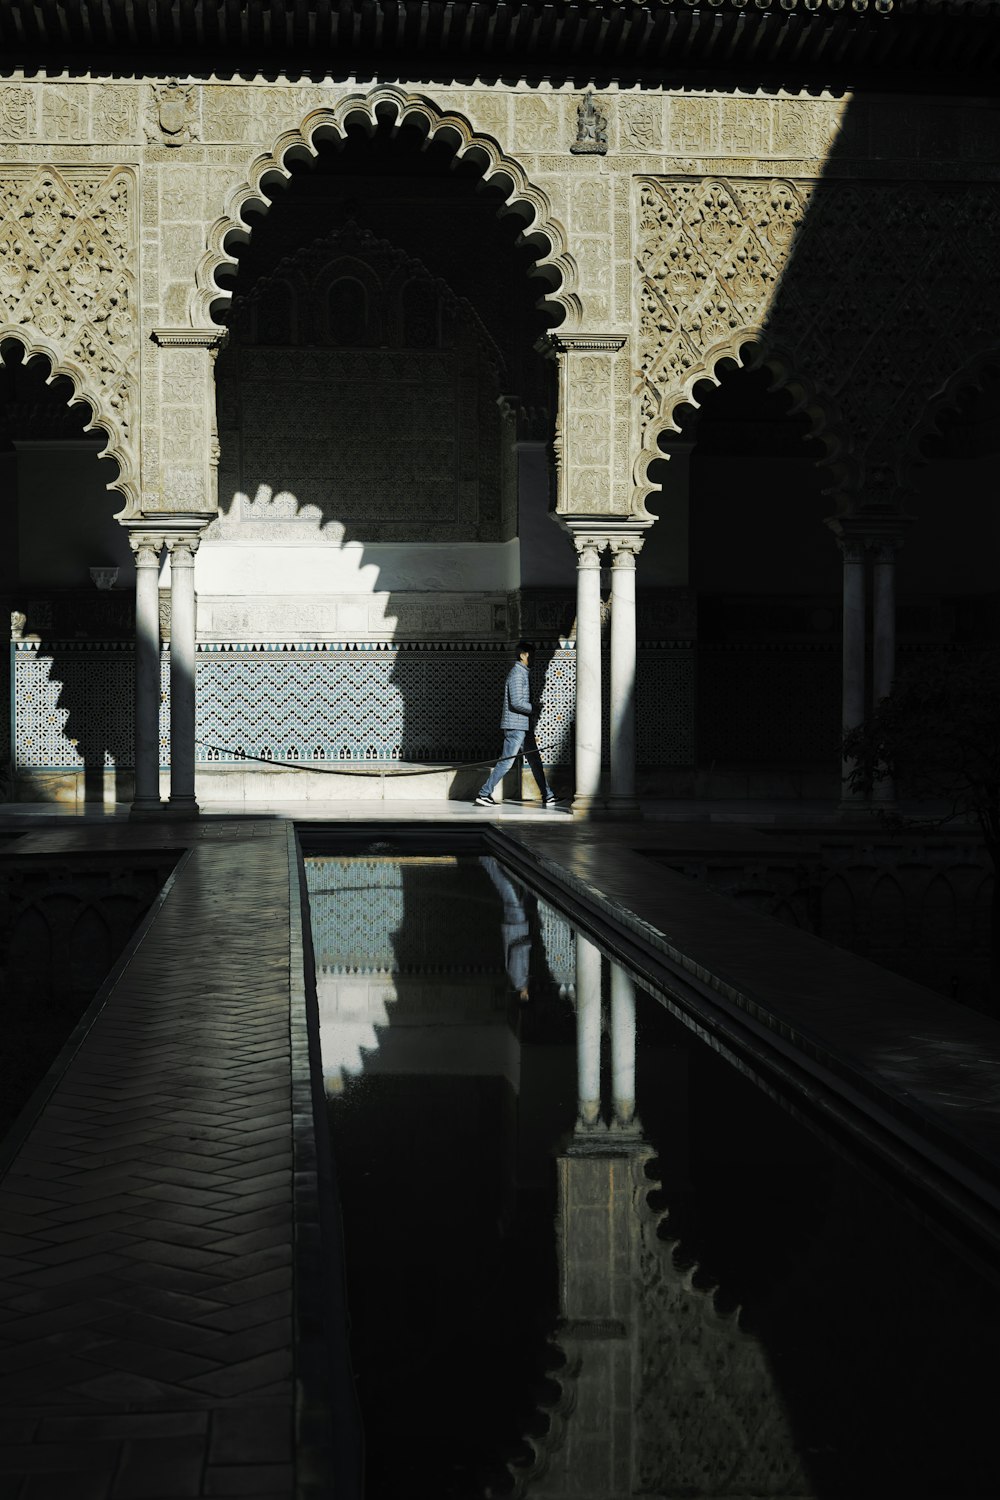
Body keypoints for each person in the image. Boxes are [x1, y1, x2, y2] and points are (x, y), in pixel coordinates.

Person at [475, 640, 558, 808]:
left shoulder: (523, 673)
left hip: (523, 726)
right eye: (531, 655)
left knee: (535, 761)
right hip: (516, 726)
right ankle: (484, 794)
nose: (533, 658)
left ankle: (548, 796)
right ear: (523, 655)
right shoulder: (517, 674)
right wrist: (534, 708)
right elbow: (517, 702)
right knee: (506, 761)